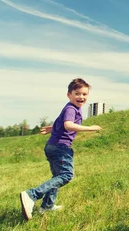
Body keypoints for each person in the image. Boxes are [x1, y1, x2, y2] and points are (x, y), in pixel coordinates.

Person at [19, 78, 102, 220]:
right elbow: (68, 125)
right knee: (66, 175)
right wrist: (90, 128)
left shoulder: (70, 108)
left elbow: (61, 122)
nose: (81, 97)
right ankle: (32, 195)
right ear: (69, 95)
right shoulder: (71, 108)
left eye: (84, 94)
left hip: (52, 146)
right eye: (77, 93)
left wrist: (52, 128)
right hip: (60, 147)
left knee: (57, 177)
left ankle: (47, 206)